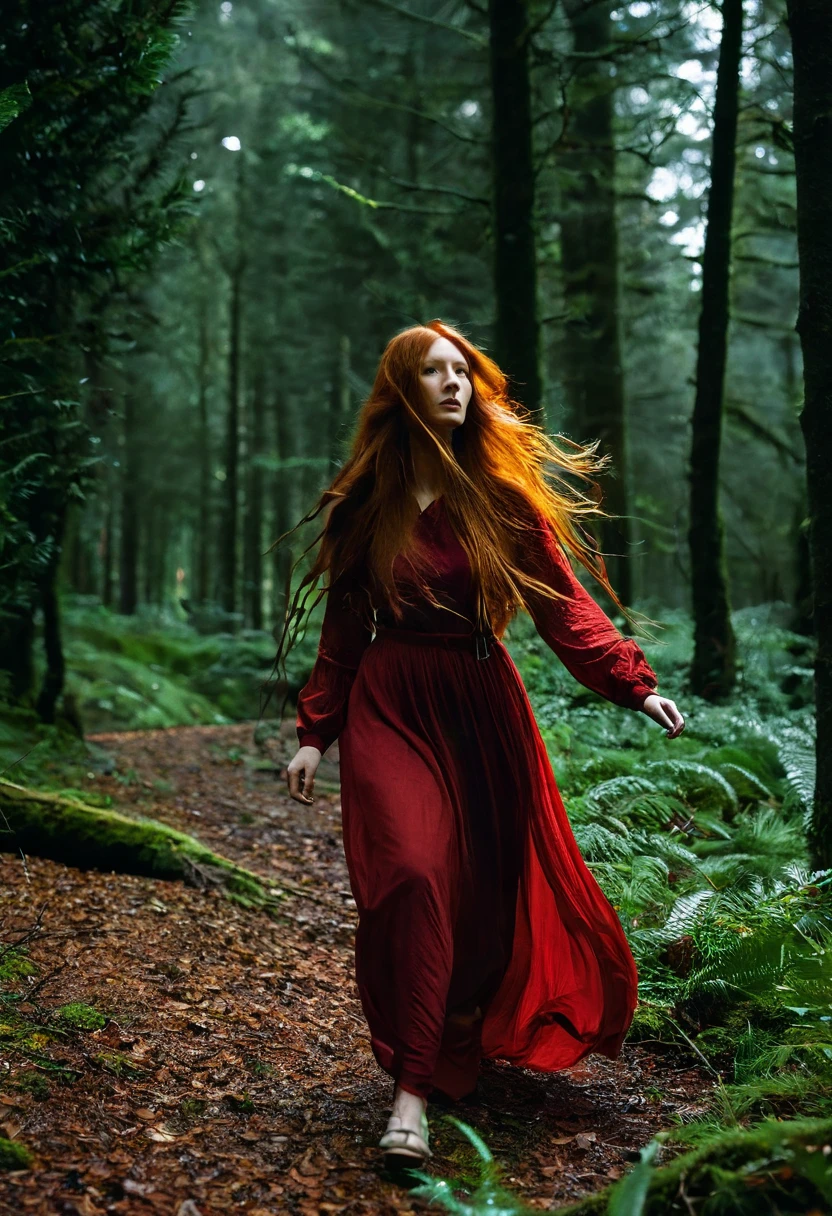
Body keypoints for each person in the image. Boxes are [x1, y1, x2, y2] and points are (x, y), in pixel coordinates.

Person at [277, 320, 684, 1168]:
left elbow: (562, 606)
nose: (454, 383)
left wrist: (631, 682)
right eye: (433, 371)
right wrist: (317, 731)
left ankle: (458, 1034)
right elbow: (346, 627)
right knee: (414, 877)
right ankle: (411, 1095)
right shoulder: (369, 502)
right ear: (402, 390)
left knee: (485, 906)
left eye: (462, 370)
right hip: (391, 700)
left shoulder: (501, 499)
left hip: (480, 703)